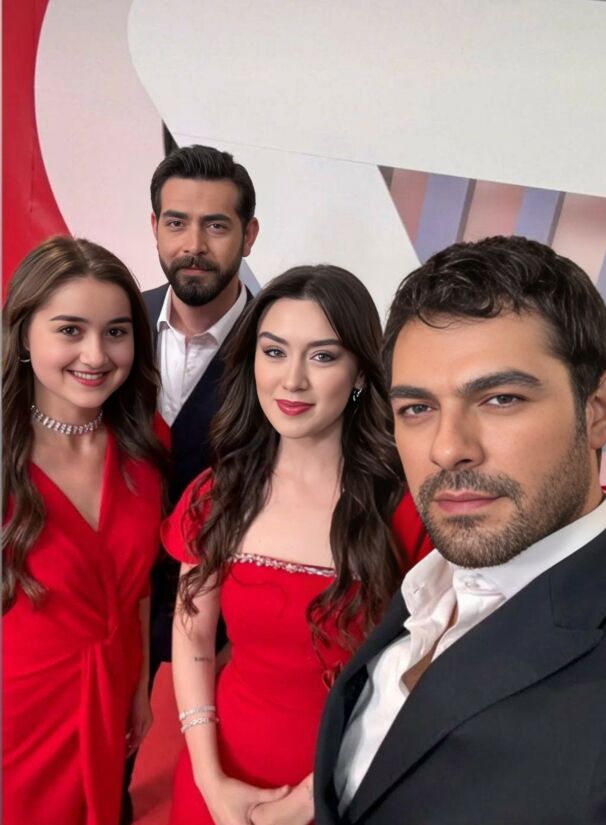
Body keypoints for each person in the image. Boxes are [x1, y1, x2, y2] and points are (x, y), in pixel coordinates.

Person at [314, 235, 606, 825]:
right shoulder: (430, 583)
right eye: (417, 408)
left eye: (500, 399)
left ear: (596, 410)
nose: (447, 449)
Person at [163, 265, 428, 825]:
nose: (292, 381)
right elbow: (193, 640)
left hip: (351, 788)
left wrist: (307, 801)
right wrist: (210, 780)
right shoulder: (216, 493)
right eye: (275, 352)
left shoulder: (407, 509)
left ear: (360, 373)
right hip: (219, 776)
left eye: (323, 356)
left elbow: (424, 672)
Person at [2, 236, 170, 825]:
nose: (96, 355)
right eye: (70, 330)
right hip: (17, 711)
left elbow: (140, 586)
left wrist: (138, 686)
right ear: (25, 335)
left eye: (116, 332)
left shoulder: (146, 442)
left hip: (112, 692)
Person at [122, 145, 260, 822]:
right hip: (111, 604)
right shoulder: (114, 325)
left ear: (249, 235)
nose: (194, 245)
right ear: (154, 227)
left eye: (216, 225)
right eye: (177, 222)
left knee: (217, 785)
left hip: (230, 616)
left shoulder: (281, 345)